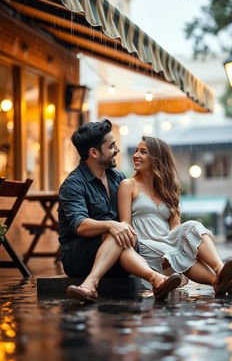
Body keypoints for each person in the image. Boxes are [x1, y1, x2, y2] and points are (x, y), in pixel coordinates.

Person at [58, 120, 182, 302]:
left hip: (122, 252)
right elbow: (80, 226)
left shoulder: (118, 178)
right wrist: (111, 225)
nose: (117, 150)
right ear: (94, 152)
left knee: (120, 234)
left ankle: (158, 280)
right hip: (79, 256)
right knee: (114, 233)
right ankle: (91, 284)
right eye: (111, 146)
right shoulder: (73, 184)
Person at [117, 136, 232, 295]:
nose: (136, 155)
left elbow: (176, 227)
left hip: (167, 239)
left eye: (143, 152)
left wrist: (185, 245)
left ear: (157, 157)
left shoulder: (168, 189)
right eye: (136, 151)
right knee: (173, 251)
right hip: (144, 244)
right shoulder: (128, 185)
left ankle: (219, 276)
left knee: (191, 228)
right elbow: (125, 224)